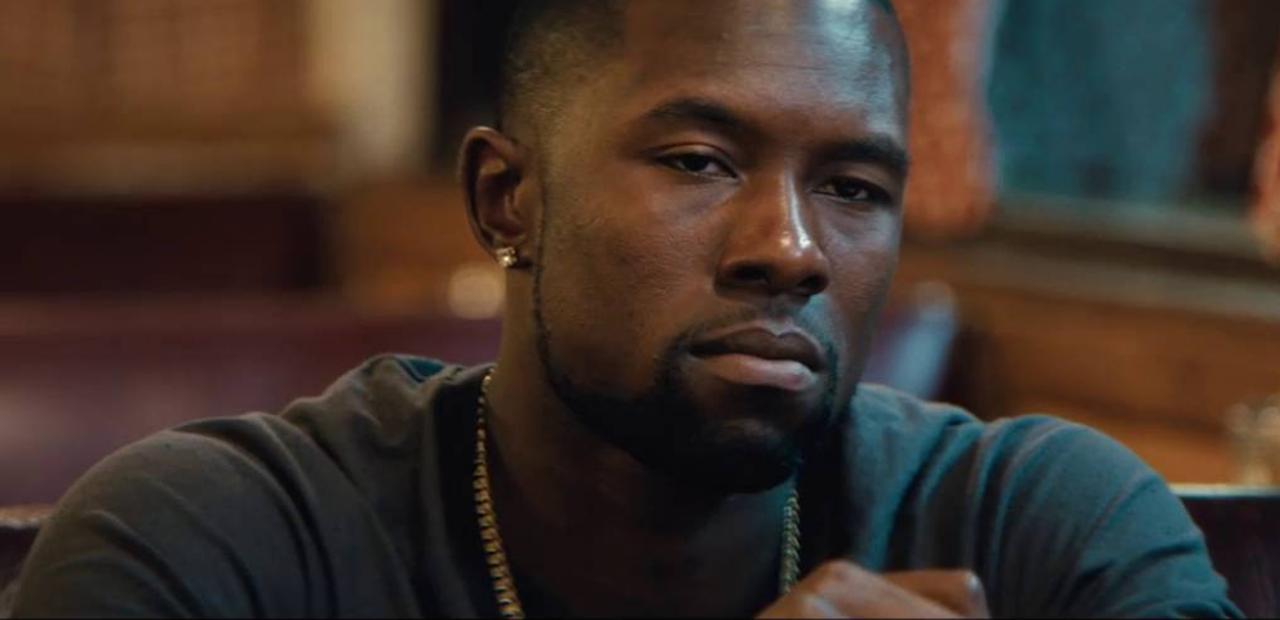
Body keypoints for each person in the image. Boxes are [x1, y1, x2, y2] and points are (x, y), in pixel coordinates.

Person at [12, 0, 1240, 617]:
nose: (790, 248)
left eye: (853, 187)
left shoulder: (1032, 525)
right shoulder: (218, 541)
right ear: (507, 200)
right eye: (699, 162)